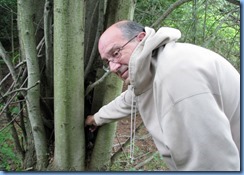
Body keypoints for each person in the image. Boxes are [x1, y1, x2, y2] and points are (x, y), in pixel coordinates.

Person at [85, 20, 240, 171]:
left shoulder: (176, 76)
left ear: (140, 38)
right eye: (108, 61)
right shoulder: (157, 64)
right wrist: (97, 118)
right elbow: (131, 98)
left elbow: (209, 162)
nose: (112, 68)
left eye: (116, 53)